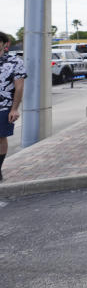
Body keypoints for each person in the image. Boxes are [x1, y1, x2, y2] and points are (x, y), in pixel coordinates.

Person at [0, 32, 26, 181]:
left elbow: (19, 87)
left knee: (0, 138)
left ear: (5, 44)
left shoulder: (14, 62)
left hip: (4, 106)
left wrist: (14, 108)